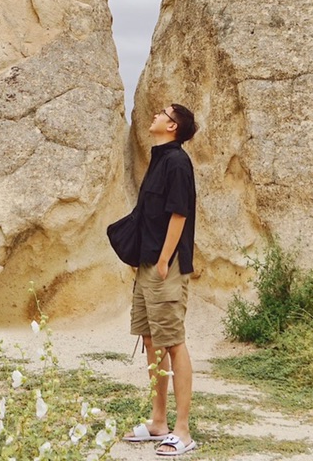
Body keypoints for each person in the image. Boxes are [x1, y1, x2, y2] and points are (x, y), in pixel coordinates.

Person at [121, 101, 199, 456]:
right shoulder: (159, 158)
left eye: (163, 114)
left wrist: (165, 260)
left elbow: (179, 215)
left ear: (172, 127)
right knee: (152, 340)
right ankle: (159, 422)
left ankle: (182, 431)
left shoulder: (178, 163)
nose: (155, 115)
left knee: (173, 342)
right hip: (148, 263)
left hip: (165, 266)